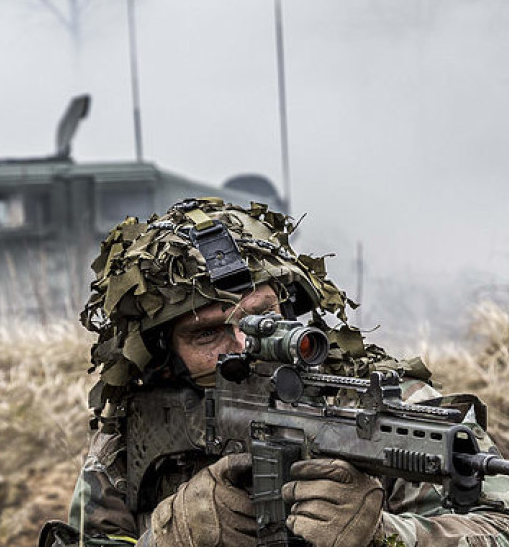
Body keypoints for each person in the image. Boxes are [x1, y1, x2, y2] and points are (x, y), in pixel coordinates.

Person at [39, 197, 509, 547]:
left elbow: (499, 527)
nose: (245, 345)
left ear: (289, 304)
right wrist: (168, 537)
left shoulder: (389, 408)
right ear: (163, 353)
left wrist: (389, 537)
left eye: (262, 317)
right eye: (207, 335)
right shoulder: (133, 439)